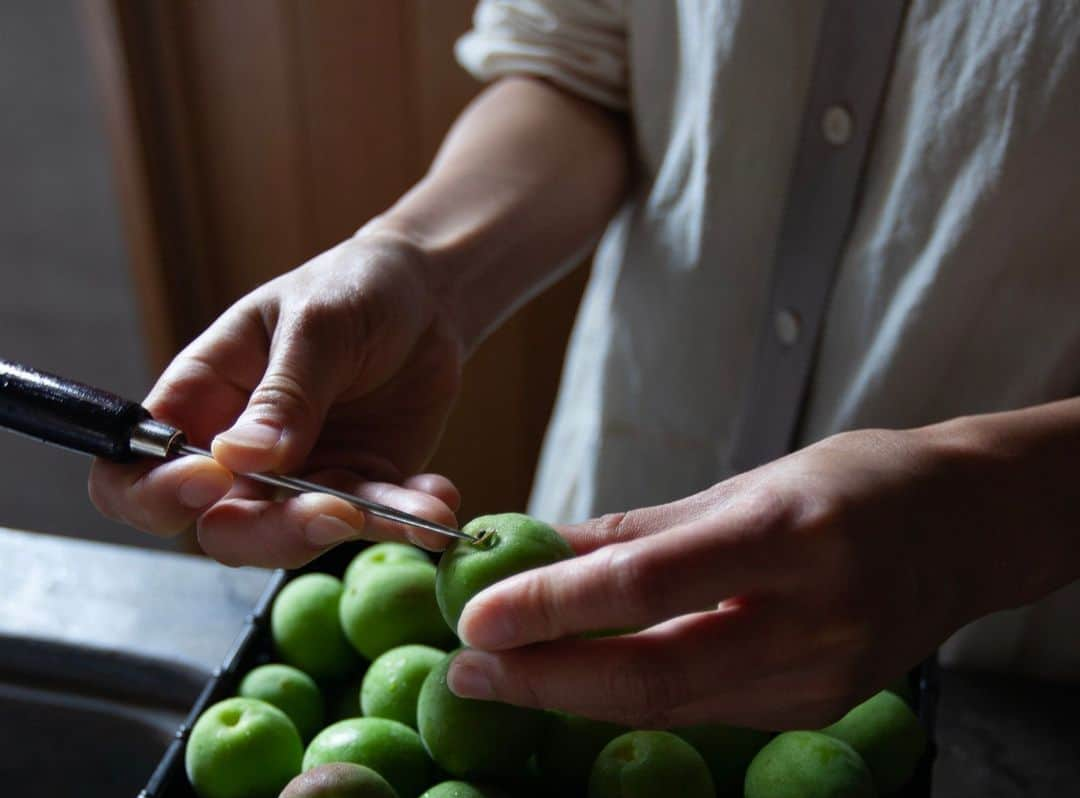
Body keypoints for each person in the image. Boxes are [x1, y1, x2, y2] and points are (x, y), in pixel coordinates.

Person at [89, 1, 1080, 731]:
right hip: (607, 523)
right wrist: (423, 268)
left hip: (1009, 674)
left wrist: (984, 510)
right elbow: (580, 65)